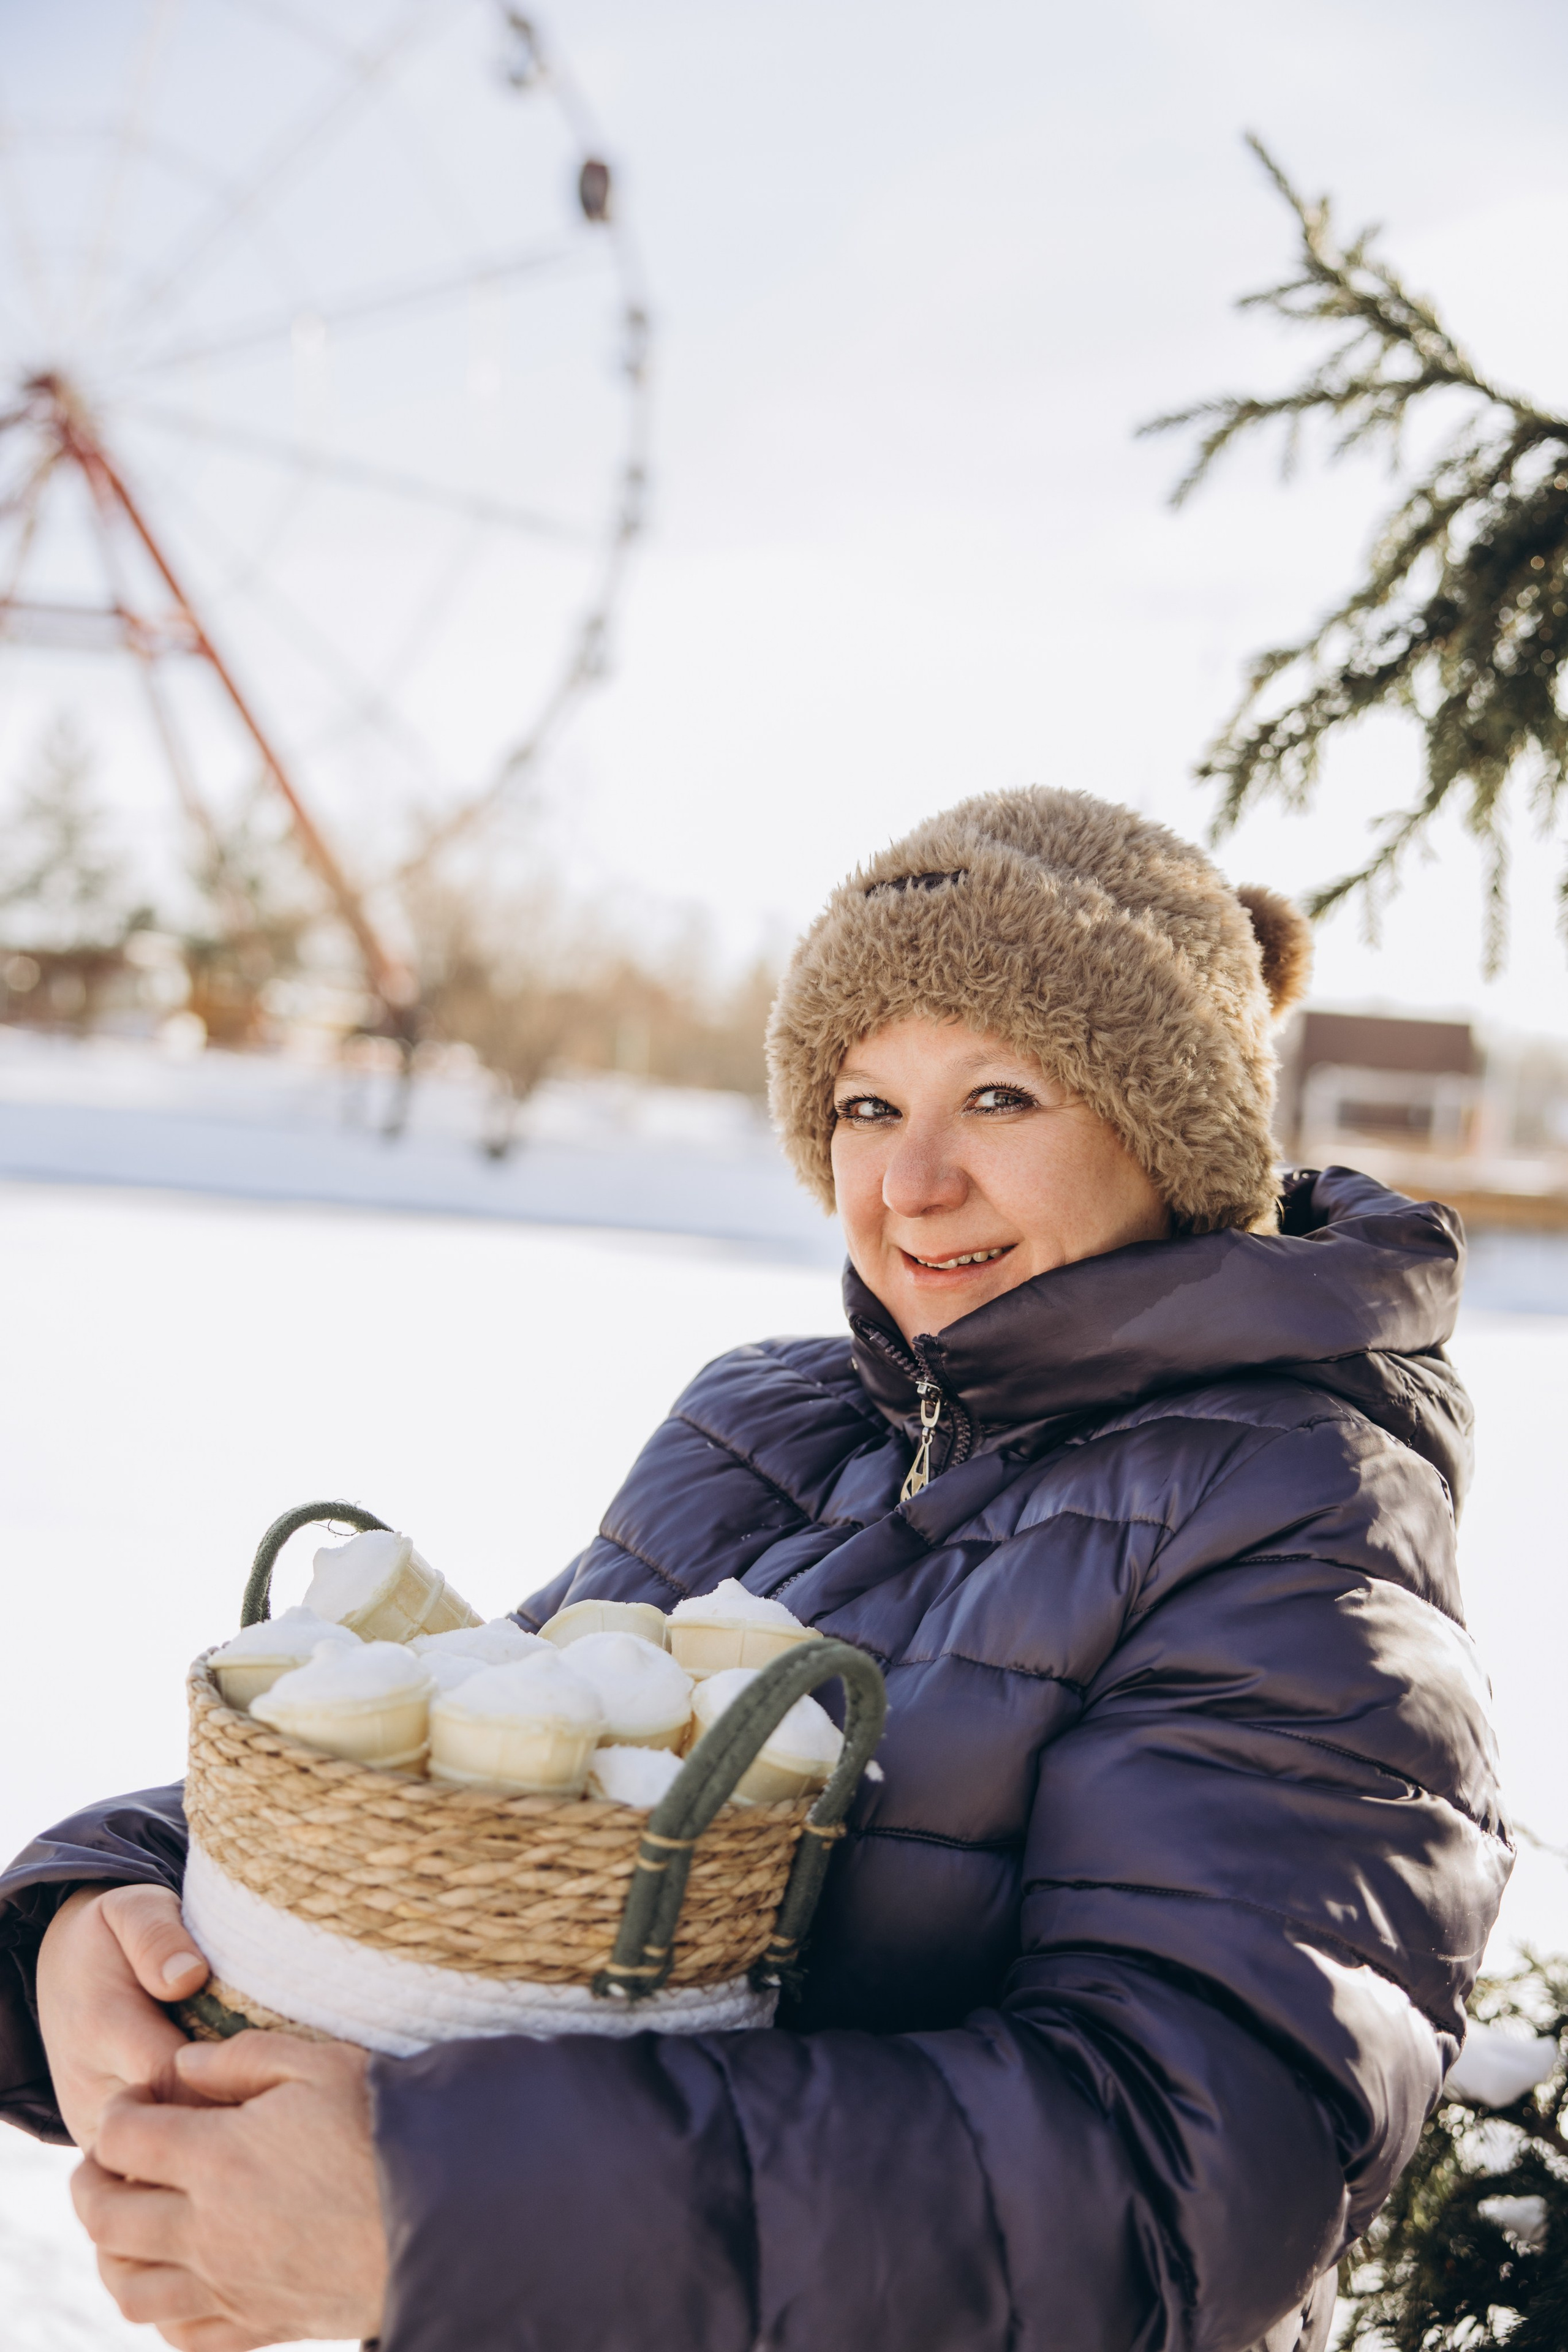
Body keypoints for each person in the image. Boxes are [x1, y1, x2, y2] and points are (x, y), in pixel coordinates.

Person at [0, 788, 1508, 2352]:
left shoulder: (1294, 1512)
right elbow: (507, 1754)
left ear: (1172, 1133)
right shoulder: (766, 1423)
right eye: (865, 1105)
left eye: (998, 1097)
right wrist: (103, 1907)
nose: (909, 1185)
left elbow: (1181, 2181)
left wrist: (438, 2212)